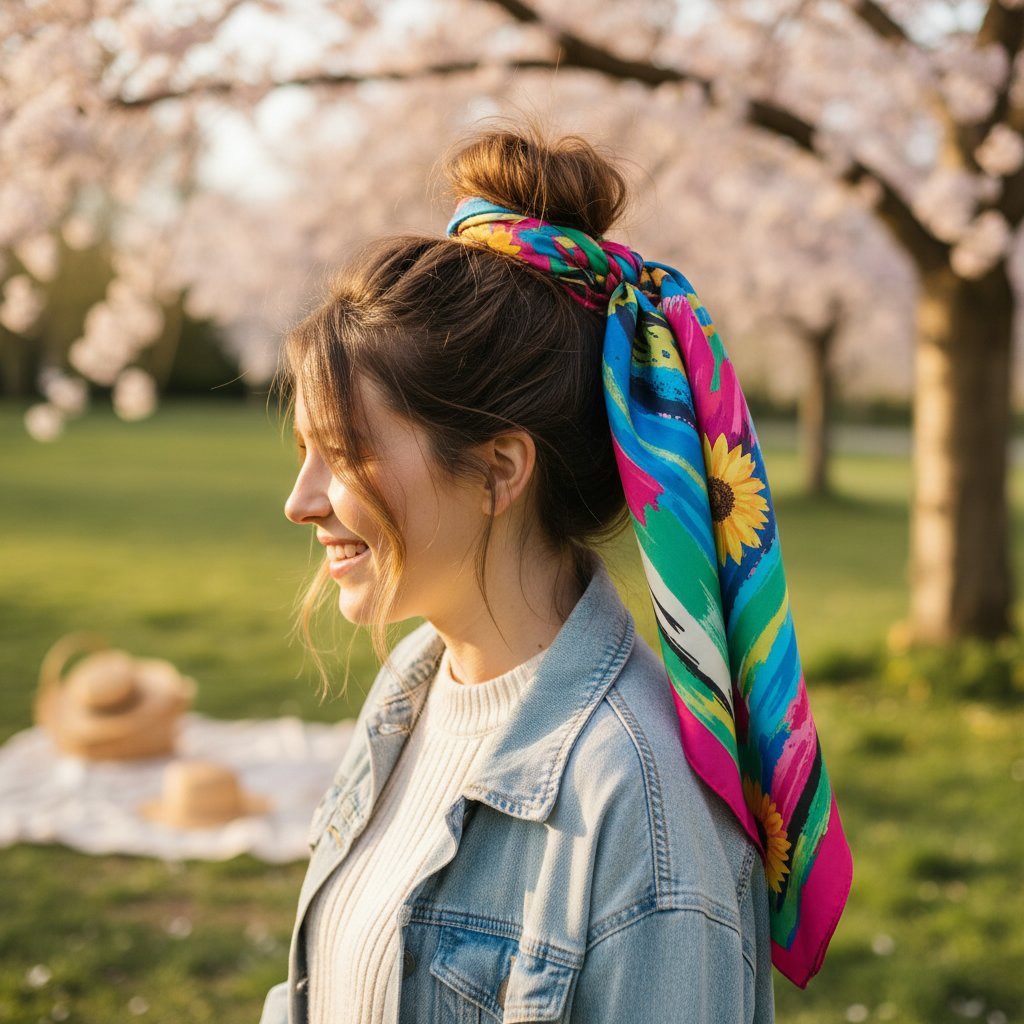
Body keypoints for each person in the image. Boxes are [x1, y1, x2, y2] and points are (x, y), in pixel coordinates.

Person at [262, 124, 851, 1024]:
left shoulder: (639, 819)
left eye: (344, 453)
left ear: (500, 469)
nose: (301, 501)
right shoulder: (411, 688)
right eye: (305, 451)